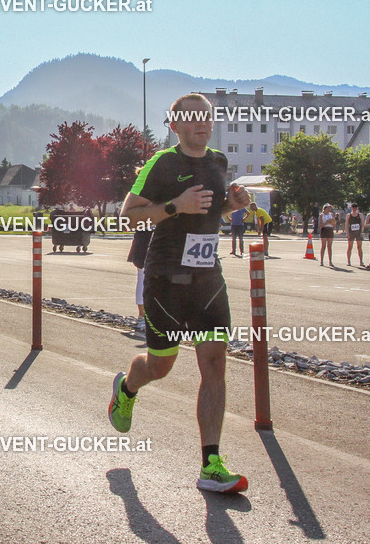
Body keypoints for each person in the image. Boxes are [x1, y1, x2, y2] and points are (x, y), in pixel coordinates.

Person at [109, 93, 251, 494]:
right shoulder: (161, 164)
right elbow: (128, 217)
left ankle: (211, 465)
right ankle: (126, 388)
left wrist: (231, 205)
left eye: (207, 117)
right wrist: (175, 205)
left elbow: (210, 212)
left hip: (208, 278)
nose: (201, 124)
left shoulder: (219, 162)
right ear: (175, 125)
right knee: (161, 366)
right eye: (191, 118)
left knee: (215, 365)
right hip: (165, 281)